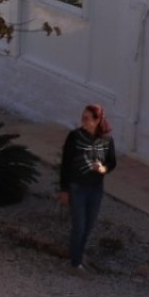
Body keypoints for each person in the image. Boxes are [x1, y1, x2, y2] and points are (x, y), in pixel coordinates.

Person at [57, 103, 115, 272]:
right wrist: (64, 189)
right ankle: (75, 263)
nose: (83, 121)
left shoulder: (106, 140)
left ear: (97, 121)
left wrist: (103, 169)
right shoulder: (74, 137)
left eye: (87, 118)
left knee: (89, 225)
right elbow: (66, 164)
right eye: (83, 117)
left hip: (96, 188)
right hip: (77, 187)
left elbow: (112, 162)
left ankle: (79, 256)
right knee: (79, 225)